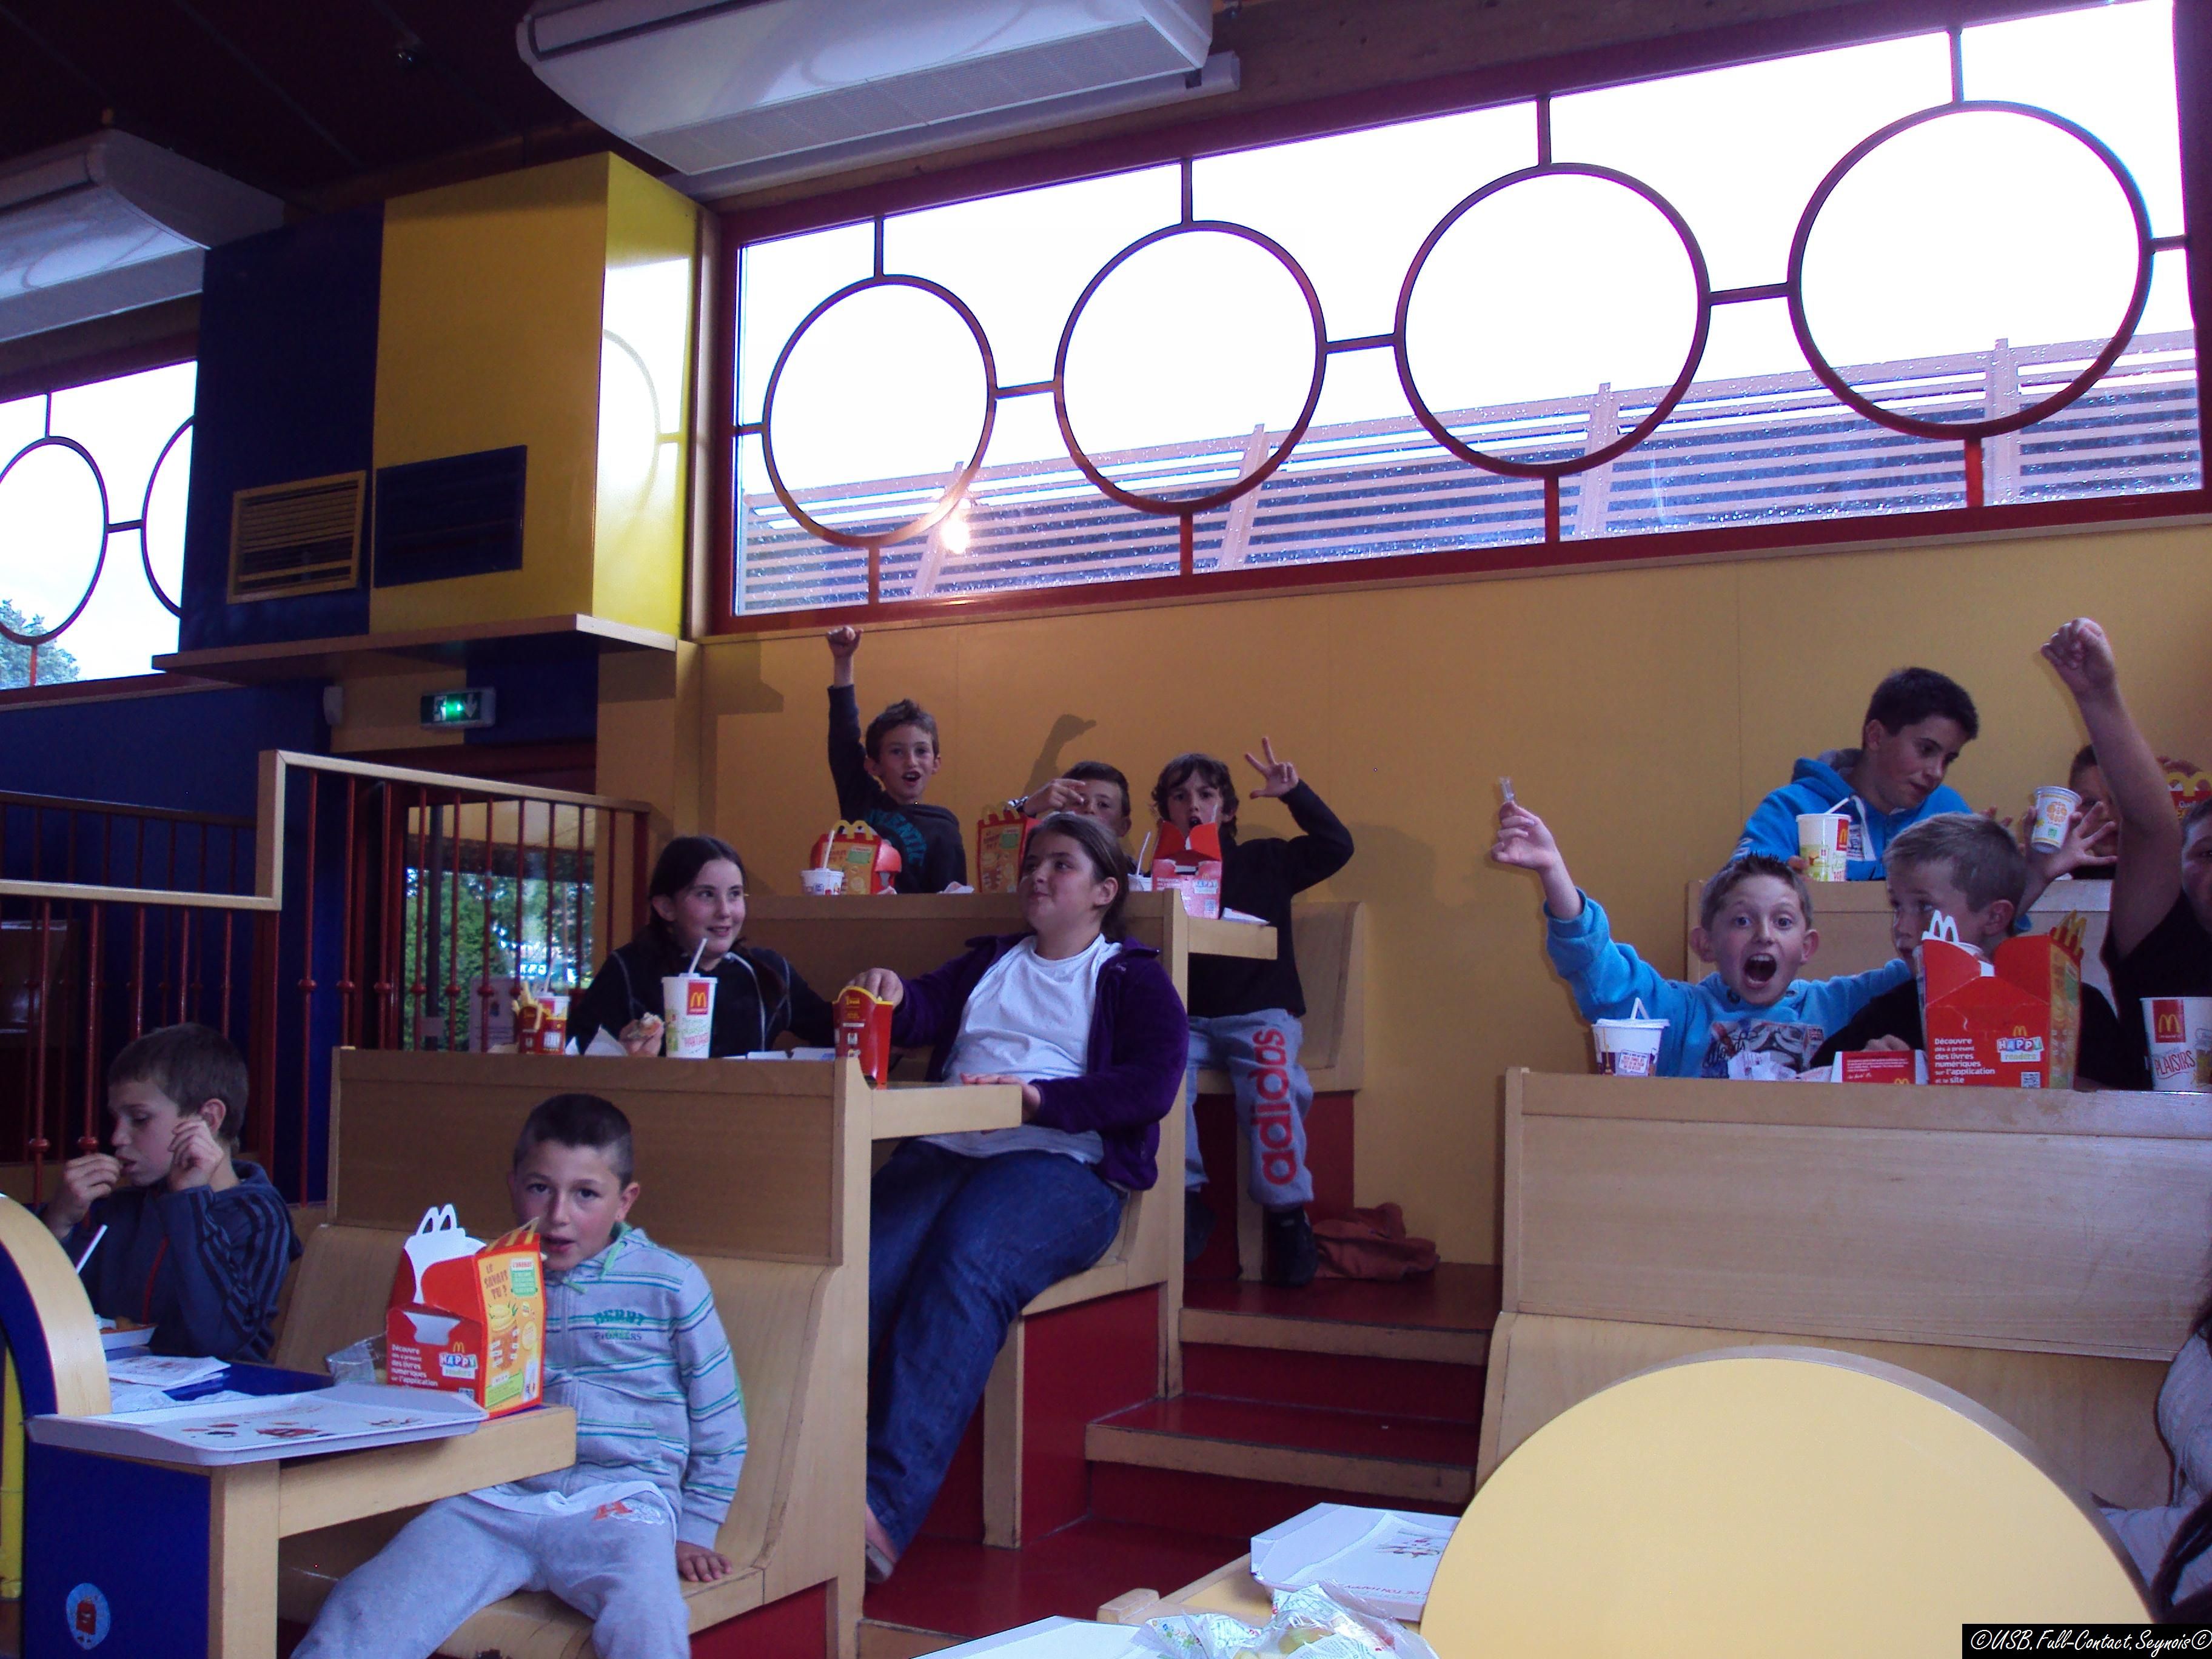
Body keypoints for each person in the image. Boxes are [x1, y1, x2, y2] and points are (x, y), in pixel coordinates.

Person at [848, 813, 1185, 1583]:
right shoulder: (990, 962)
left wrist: (1039, 1100)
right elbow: (923, 1008)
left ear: (1104, 891)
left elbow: (1149, 1086)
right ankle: (805, 1471)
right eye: (1034, 862)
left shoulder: (1132, 977)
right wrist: (892, 995)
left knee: (967, 1260)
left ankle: (881, 1507)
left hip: (1063, 1164)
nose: (1038, 875)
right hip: (948, 1145)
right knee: (862, 1259)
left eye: (1062, 865)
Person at [294, 1094, 745, 1659]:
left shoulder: (671, 1283)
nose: (558, 1214)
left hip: (622, 1503)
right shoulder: (478, 1275)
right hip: (490, 1498)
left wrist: (696, 1526)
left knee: (649, 1620)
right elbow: (437, 1384)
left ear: (624, 1201)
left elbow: (720, 1419)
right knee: (363, 1608)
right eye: (540, 1188)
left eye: (586, 1194)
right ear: (513, 1187)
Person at [1494, 801, 1906, 1078]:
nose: (1764, 935)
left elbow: (1922, 974)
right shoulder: (1680, 1014)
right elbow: (1598, 967)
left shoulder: (1840, 1006)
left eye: (1783, 922)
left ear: (1807, 946)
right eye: (1742, 920)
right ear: (1705, 944)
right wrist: (1553, 870)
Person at [1161, 743, 1354, 1287]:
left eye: (1206, 794)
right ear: (1165, 810)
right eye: (1180, 796)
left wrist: (1295, 794)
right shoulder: (1158, 873)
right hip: (1186, 1019)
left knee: (1273, 1084)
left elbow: (1337, 847)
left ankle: (1287, 1214)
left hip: (1260, 1013)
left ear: (1226, 807)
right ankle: (1184, 1198)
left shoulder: (1266, 860)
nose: (1194, 805)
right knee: (1160, 1075)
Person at [1808, 813, 2129, 1085]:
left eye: (1924, 906)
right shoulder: (1891, 1012)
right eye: (1897, 906)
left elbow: (2123, 1108)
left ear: (1995, 917)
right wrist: (1864, 1070)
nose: (1901, 927)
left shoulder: (2074, 1007)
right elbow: (1814, 1080)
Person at [42, 1024, 298, 1361]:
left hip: (221, 1390)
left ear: (208, 1120)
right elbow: (44, 1311)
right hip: (113, 1386)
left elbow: (219, 1340)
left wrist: (188, 1201)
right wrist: (57, 1223)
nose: (117, 1138)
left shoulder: (258, 1216)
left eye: (139, 1119)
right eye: (116, 1120)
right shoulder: (116, 1208)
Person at [2042, 618, 2212, 1089]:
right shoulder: (2165, 937)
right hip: (2153, 1134)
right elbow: (2149, 826)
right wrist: (2099, 695)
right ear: (2179, 871)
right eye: (2208, 854)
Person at [569, 836, 834, 1058]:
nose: (725, 911)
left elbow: (836, 1032)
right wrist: (621, 1058)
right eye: (706, 895)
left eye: (734, 894)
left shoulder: (767, 971)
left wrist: (860, 994)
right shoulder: (629, 971)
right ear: (666, 907)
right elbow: (572, 1058)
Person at [1734, 667, 1980, 879]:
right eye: (1926, 750)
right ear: (1876, 737)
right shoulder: (1792, 807)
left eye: (1949, 760)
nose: (1937, 773)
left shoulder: (1950, 813)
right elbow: (1732, 891)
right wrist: (1774, 884)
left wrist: (1995, 867)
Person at [825, 626, 966, 892]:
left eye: (921, 751)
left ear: (936, 763)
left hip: (907, 919)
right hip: (853, 915)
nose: (911, 762)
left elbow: (949, 905)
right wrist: (843, 662)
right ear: (874, 765)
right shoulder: (862, 802)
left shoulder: (943, 829)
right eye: (897, 752)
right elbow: (844, 741)